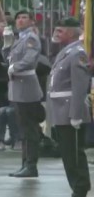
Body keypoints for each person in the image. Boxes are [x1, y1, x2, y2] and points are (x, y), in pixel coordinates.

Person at [48, 17, 91, 197]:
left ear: (72, 33)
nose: (56, 34)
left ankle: (80, 186)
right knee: (66, 153)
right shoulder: (66, 52)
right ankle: (76, 186)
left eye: (61, 31)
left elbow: (80, 86)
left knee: (73, 153)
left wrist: (76, 114)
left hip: (70, 111)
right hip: (60, 110)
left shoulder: (77, 53)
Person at [3, 9, 44, 178]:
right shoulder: (19, 39)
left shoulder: (31, 38)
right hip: (18, 88)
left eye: (24, 18)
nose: (20, 20)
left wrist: (14, 68)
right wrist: (6, 44)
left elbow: (29, 60)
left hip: (26, 87)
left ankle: (31, 165)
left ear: (31, 21)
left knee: (30, 129)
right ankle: (25, 163)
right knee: (24, 129)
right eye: (18, 18)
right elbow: (9, 59)